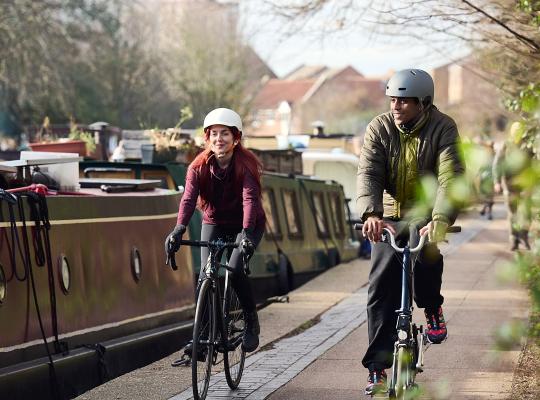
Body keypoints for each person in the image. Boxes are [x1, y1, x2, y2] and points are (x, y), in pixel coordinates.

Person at [356, 69, 464, 395]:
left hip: (425, 212)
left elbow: (450, 175)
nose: (396, 105)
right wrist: (372, 214)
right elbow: (369, 171)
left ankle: (432, 307)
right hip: (388, 214)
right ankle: (377, 367)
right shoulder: (379, 127)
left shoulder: (443, 126)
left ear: (423, 102)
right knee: (379, 288)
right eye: (393, 98)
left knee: (428, 256)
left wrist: (441, 218)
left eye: (404, 100)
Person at [165, 107, 266, 353]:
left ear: (236, 138)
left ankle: (252, 322)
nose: (219, 139)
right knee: (205, 277)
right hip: (216, 222)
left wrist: (245, 234)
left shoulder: (246, 165)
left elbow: (249, 200)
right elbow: (188, 200)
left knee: (234, 267)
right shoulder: (197, 167)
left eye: (225, 134)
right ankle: (203, 338)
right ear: (207, 138)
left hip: (247, 224)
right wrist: (179, 229)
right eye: (214, 134)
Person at [493, 122, 533, 251]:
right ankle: (513, 239)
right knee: (512, 213)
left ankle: (524, 237)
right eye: (516, 130)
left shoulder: (528, 144)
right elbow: (497, 163)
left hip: (526, 184)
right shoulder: (506, 144)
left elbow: (535, 161)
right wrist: (497, 181)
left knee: (526, 212)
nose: (518, 132)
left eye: (520, 130)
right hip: (509, 185)